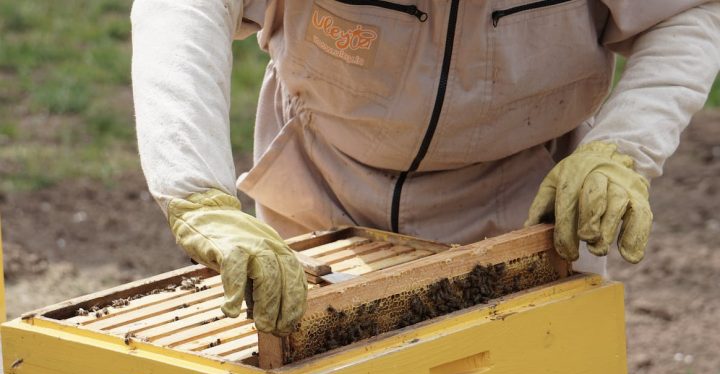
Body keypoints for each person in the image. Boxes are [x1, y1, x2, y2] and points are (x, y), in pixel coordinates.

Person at [131, 1, 720, 336]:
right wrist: (196, 194)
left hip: (528, 213)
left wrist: (622, 148)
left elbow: (685, 12)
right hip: (319, 202)